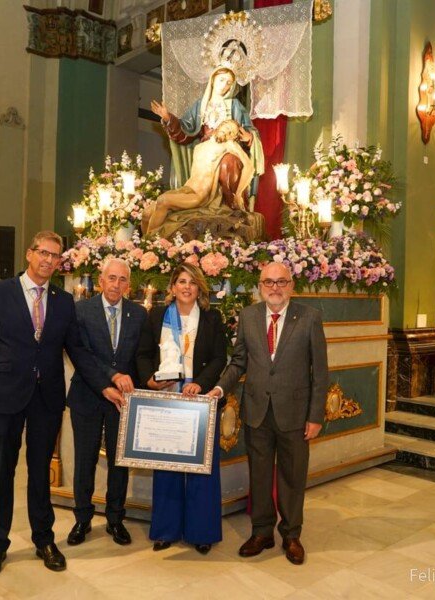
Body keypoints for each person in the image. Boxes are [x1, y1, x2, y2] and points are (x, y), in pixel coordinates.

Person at [0, 231, 124, 580]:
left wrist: (105, 384)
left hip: (46, 399)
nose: (49, 260)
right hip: (3, 397)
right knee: (3, 471)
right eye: (43, 253)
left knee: (40, 473)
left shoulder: (64, 301)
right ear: (29, 253)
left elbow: (78, 351)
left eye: (55, 256)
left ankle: (44, 539)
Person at [209, 262, 328, 565]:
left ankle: (291, 534)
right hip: (257, 411)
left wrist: (315, 416)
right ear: (259, 286)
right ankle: (261, 532)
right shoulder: (248, 317)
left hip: (295, 413)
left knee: (292, 476)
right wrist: (219, 389)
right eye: (268, 282)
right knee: (259, 475)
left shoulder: (310, 318)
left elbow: (320, 372)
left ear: (292, 285)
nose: (275, 288)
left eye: (281, 282)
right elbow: (238, 362)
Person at [136, 263, 227, 554]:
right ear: (172, 287)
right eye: (181, 281)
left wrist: (199, 383)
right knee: (167, 466)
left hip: (198, 400)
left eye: (192, 282)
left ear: (199, 288)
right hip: (167, 397)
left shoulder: (212, 318)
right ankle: (165, 530)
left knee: (202, 468)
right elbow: (144, 353)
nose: (186, 287)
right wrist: (149, 378)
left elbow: (218, 358)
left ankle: (201, 532)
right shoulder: (157, 316)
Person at [66, 258, 147, 546]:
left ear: (129, 284)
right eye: (111, 278)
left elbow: (141, 357)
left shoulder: (139, 314)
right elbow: (81, 354)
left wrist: (148, 382)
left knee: (119, 461)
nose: (116, 284)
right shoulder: (81, 311)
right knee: (84, 460)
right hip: (88, 395)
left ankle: (115, 519)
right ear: (101, 281)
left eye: (122, 279)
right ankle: (82, 519)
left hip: (123, 401)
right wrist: (110, 380)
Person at [149, 66, 265, 240]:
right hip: (206, 152)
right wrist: (168, 118)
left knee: (228, 162)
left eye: (228, 83)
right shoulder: (201, 106)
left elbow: (248, 133)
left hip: (228, 149)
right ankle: (150, 240)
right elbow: (186, 131)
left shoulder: (235, 106)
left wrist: (249, 137)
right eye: (221, 80)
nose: (224, 85)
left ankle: (229, 203)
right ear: (212, 80)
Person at [142, 119, 255, 236]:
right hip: (186, 189)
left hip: (199, 195)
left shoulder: (229, 145)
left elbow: (249, 167)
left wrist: (238, 192)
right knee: (146, 213)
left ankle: (150, 243)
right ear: (219, 126)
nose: (228, 132)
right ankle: (143, 245)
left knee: (163, 201)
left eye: (232, 132)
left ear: (233, 137)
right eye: (226, 127)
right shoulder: (200, 146)